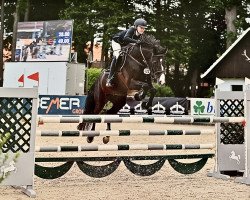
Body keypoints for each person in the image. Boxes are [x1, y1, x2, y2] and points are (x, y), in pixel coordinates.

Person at [106, 18, 147, 87]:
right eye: (141, 27)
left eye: (144, 28)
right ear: (136, 26)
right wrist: (136, 41)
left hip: (125, 44)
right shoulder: (131, 29)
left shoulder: (141, 35)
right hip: (117, 42)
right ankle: (109, 78)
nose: (142, 29)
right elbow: (126, 38)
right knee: (117, 55)